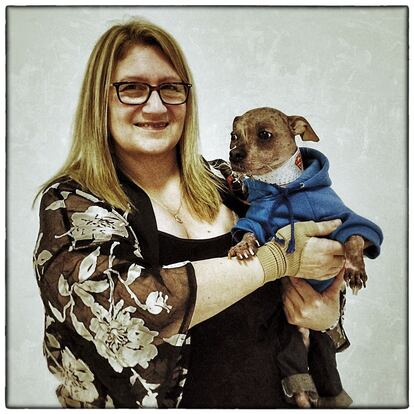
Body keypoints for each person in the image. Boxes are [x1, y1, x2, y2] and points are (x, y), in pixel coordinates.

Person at [33, 17, 349, 408]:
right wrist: (275, 259)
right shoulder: (72, 203)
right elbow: (124, 317)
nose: (155, 105)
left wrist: (326, 314)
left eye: (170, 88)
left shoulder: (231, 181)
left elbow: (315, 255)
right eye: (132, 88)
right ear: (99, 100)